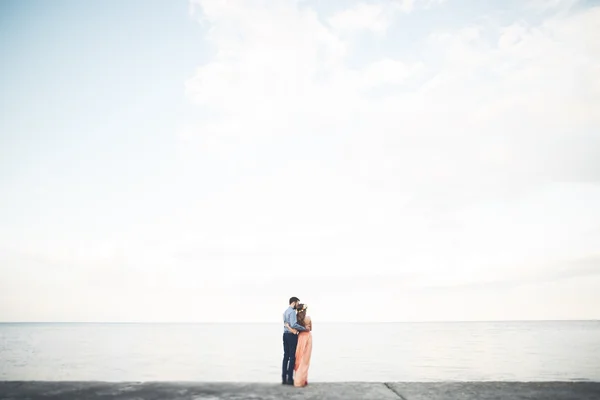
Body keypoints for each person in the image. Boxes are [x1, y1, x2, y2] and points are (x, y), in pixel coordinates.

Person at [282, 297, 306, 385]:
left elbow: (286, 324)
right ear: (294, 302)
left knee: (286, 356)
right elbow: (293, 324)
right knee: (292, 357)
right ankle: (290, 379)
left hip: (285, 335)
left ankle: (284, 378)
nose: (297, 305)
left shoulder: (285, 312)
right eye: (297, 303)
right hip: (291, 336)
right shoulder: (292, 312)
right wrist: (304, 329)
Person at [288, 303, 312, 387]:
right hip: (308, 338)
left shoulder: (297, 319)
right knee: (305, 360)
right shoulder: (308, 318)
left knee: (299, 358)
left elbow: (295, 330)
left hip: (300, 337)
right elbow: (310, 329)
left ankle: (297, 379)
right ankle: (303, 380)